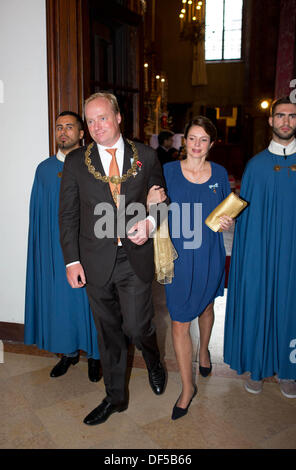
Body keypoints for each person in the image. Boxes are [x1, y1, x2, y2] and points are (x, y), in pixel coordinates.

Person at [58, 92, 167, 426]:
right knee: (109, 333)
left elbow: (161, 200)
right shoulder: (77, 161)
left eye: (101, 118)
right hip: (94, 260)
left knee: (136, 325)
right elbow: (68, 215)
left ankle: (153, 359)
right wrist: (71, 261)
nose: (95, 127)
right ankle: (115, 398)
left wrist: (149, 223)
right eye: (89, 121)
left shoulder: (146, 156)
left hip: (134, 256)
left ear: (118, 117)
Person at [153, 116, 233, 420]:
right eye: (192, 138)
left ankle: (203, 352)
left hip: (210, 254)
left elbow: (226, 210)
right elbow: (155, 208)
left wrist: (228, 220)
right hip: (177, 256)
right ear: (182, 141)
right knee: (179, 321)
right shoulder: (167, 171)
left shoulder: (220, 173)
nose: (197, 145)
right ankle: (187, 388)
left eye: (204, 140)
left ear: (211, 145)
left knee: (206, 307)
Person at [224, 97, 296, 399]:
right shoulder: (255, 166)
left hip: (292, 252)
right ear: (270, 121)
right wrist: (229, 223)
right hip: (262, 252)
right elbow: (245, 214)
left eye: (292, 117)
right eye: (280, 116)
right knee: (260, 300)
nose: (286, 122)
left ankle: (289, 371)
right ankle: (257, 366)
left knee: (291, 306)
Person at [24, 111, 101, 383]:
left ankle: (95, 356)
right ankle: (68, 353)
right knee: (62, 303)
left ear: (82, 133)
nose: (63, 132)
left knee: (91, 303)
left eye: (70, 127)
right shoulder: (44, 170)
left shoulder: (95, 166)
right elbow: (39, 215)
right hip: (56, 251)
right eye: (59, 127)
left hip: (89, 249)